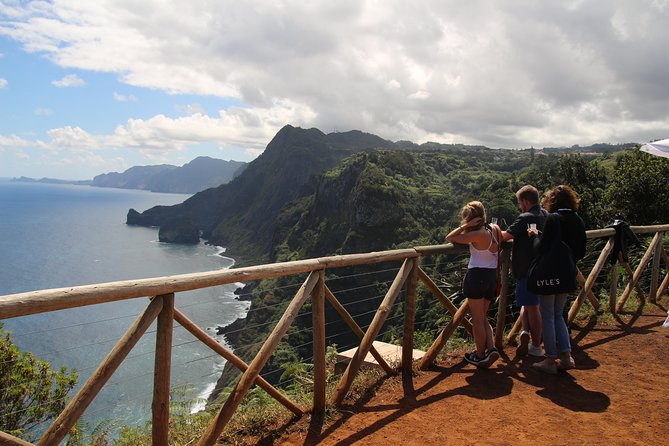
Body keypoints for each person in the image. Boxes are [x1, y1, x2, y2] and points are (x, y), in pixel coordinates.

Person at [528, 185, 586, 374]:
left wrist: (534, 236)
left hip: (550, 274)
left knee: (547, 315)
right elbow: (581, 251)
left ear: (552, 200)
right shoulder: (578, 220)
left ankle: (551, 359)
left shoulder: (553, 219)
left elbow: (540, 249)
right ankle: (567, 357)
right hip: (568, 272)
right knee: (559, 314)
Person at [446, 201, 502, 368]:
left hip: (477, 277)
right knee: (483, 317)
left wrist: (466, 226)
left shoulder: (477, 234)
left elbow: (450, 237)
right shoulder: (493, 230)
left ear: (471, 219)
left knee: (477, 320)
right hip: (491, 277)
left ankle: (480, 355)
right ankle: (491, 349)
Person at [502, 185, 548, 357]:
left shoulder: (525, 218)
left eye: (519, 202)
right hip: (544, 268)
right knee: (531, 306)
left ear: (526, 201)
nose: (519, 205)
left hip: (527, 270)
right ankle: (526, 333)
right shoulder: (546, 215)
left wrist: (492, 231)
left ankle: (536, 347)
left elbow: (504, 237)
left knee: (532, 307)